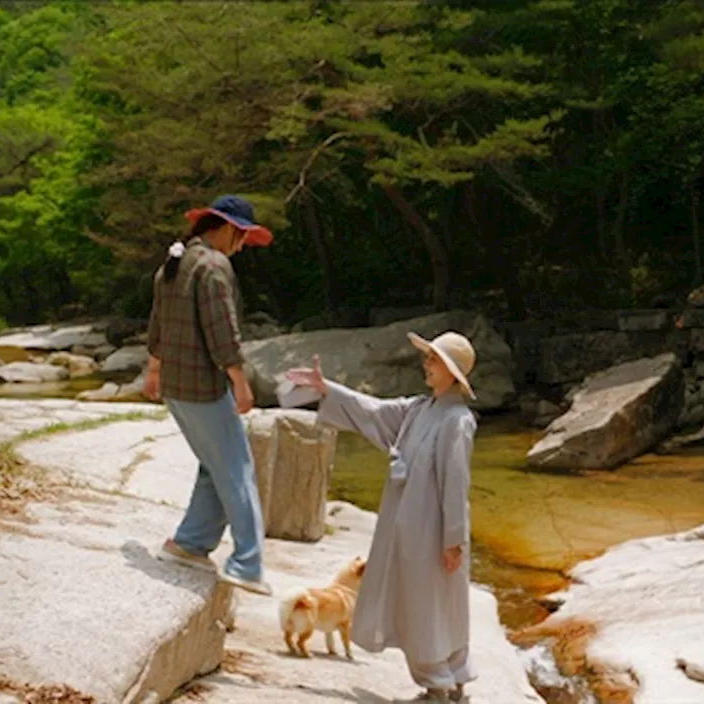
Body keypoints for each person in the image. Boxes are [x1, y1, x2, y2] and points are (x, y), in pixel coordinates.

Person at [285, 331, 478, 703]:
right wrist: (329, 389)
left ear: (453, 372)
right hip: (410, 525)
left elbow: (456, 482)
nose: (427, 364)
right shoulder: (419, 409)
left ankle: (442, 686)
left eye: (434, 359)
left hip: (433, 530)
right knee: (429, 601)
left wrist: (454, 539)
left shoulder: (457, 419)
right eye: (428, 358)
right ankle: (446, 685)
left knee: (430, 603)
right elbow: (373, 411)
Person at [144, 194, 275, 596]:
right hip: (204, 388)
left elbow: (157, 325)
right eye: (242, 238)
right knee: (237, 469)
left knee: (212, 465)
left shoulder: (174, 263)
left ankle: (189, 543)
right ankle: (247, 564)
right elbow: (223, 332)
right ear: (228, 229)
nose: (241, 248)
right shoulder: (214, 267)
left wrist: (153, 372)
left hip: (177, 389)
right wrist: (240, 381)